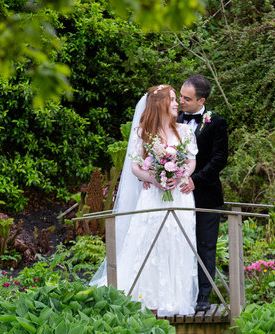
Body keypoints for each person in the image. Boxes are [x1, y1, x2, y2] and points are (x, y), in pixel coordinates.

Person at [90, 84, 199, 316]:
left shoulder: (185, 131)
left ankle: (174, 297)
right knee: (150, 241)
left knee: (175, 240)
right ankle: (146, 295)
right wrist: (155, 177)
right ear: (159, 104)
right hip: (153, 196)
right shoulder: (142, 132)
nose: (177, 103)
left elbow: (190, 161)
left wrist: (181, 174)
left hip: (179, 196)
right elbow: (135, 167)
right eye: (172, 99)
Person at [176, 75, 229, 311]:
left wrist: (195, 180)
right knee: (178, 244)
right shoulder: (173, 119)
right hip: (176, 195)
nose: (181, 101)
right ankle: (180, 293)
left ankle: (203, 296)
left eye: (187, 98)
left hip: (206, 195)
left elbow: (219, 159)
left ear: (202, 100)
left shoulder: (216, 123)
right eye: (180, 96)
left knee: (205, 246)